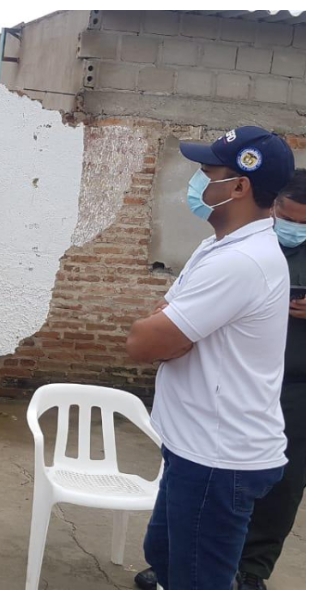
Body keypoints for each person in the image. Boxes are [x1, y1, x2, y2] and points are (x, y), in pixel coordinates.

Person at [125, 127, 294, 589]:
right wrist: (174, 332)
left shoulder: (242, 262)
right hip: (195, 447)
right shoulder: (217, 247)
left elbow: (144, 343)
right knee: (162, 556)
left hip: (220, 459)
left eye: (207, 173)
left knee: (200, 582)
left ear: (239, 186)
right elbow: (165, 326)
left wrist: (173, 333)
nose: (198, 182)